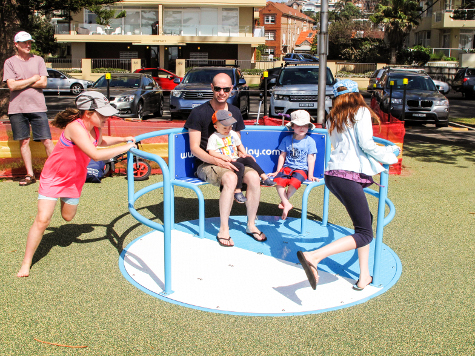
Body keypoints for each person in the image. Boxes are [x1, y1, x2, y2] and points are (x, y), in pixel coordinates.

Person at [17, 91, 136, 277]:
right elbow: (95, 154)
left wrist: (122, 139)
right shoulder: (75, 127)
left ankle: (61, 201)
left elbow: (99, 142)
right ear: (88, 113)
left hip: (74, 179)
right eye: (102, 114)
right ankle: (26, 263)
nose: (107, 117)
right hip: (54, 177)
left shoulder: (96, 128)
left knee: (68, 218)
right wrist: (126, 147)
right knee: (43, 219)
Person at [296, 80, 400, 291]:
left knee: (365, 222)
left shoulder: (332, 117)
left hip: (334, 175)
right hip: (348, 175)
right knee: (365, 233)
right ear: (356, 95)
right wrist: (390, 155)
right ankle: (314, 257)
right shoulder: (360, 112)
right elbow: (366, 144)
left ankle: (363, 276)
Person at [184, 73, 265, 247]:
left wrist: (244, 154)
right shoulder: (198, 112)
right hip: (207, 163)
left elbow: (237, 143)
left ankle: (251, 225)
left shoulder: (234, 111)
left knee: (252, 177)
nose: (222, 92)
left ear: (231, 89)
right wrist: (218, 161)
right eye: (218, 88)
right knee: (230, 177)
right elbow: (195, 148)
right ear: (212, 88)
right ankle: (224, 229)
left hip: (231, 160)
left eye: (226, 89)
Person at [3, 31, 55, 186]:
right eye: (25, 42)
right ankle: (30, 175)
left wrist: (21, 82)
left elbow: (43, 83)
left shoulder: (38, 60)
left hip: (38, 106)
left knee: (46, 140)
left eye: (30, 42)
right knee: (24, 141)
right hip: (17, 108)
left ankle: (54, 173)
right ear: (16, 45)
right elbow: (12, 85)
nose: (28, 45)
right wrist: (33, 78)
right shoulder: (9, 62)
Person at [207, 109, 275, 204]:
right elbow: (211, 152)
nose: (228, 130)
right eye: (225, 128)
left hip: (234, 158)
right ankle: (237, 190)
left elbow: (239, 145)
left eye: (230, 127)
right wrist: (222, 157)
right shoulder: (214, 137)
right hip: (225, 161)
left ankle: (264, 178)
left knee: (248, 159)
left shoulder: (233, 134)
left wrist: (244, 153)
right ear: (216, 127)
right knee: (240, 166)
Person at [268, 110, 319, 220]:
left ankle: (284, 201)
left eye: (305, 125)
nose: (302, 128)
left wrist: (310, 174)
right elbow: (282, 156)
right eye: (298, 125)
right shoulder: (287, 139)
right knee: (278, 181)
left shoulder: (310, 141)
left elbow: (311, 158)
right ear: (292, 126)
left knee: (294, 182)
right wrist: (278, 171)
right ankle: (287, 203)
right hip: (287, 168)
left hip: (301, 169)